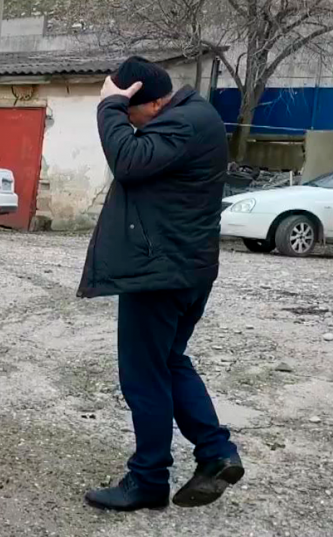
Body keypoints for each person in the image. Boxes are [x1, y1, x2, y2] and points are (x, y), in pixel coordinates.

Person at [78, 56, 244, 512]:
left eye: (130, 113)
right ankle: (215, 452)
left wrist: (109, 107)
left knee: (144, 376)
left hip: (160, 275)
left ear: (150, 103)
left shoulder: (184, 123)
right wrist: (119, 107)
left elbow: (127, 161)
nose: (130, 124)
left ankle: (148, 479)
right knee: (169, 361)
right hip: (182, 269)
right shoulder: (194, 117)